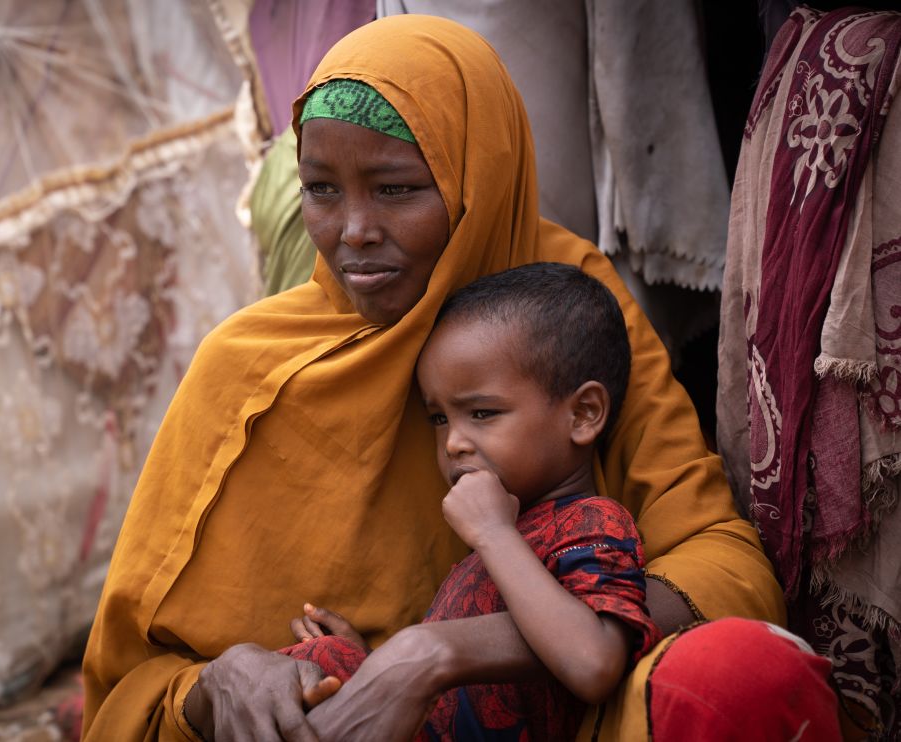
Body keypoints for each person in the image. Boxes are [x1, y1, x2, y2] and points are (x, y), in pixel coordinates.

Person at [82, 15, 837, 741]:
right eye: (321, 189)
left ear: (481, 173)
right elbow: (127, 689)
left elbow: (726, 570)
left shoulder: (557, 301)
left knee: (739, 674)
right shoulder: (249, 364)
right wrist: (217, 684)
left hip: (572, 712)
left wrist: (440, 653)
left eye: (396, 188)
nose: (353, 232)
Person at [280, 263, 662, 740]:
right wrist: (369, 666)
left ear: (583, 414)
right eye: (439, 419)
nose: (454, 443)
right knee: (316, 666)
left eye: (482, 413)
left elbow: (595, 663)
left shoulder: (590, 522)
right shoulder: (503, 535)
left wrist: (493, 533)